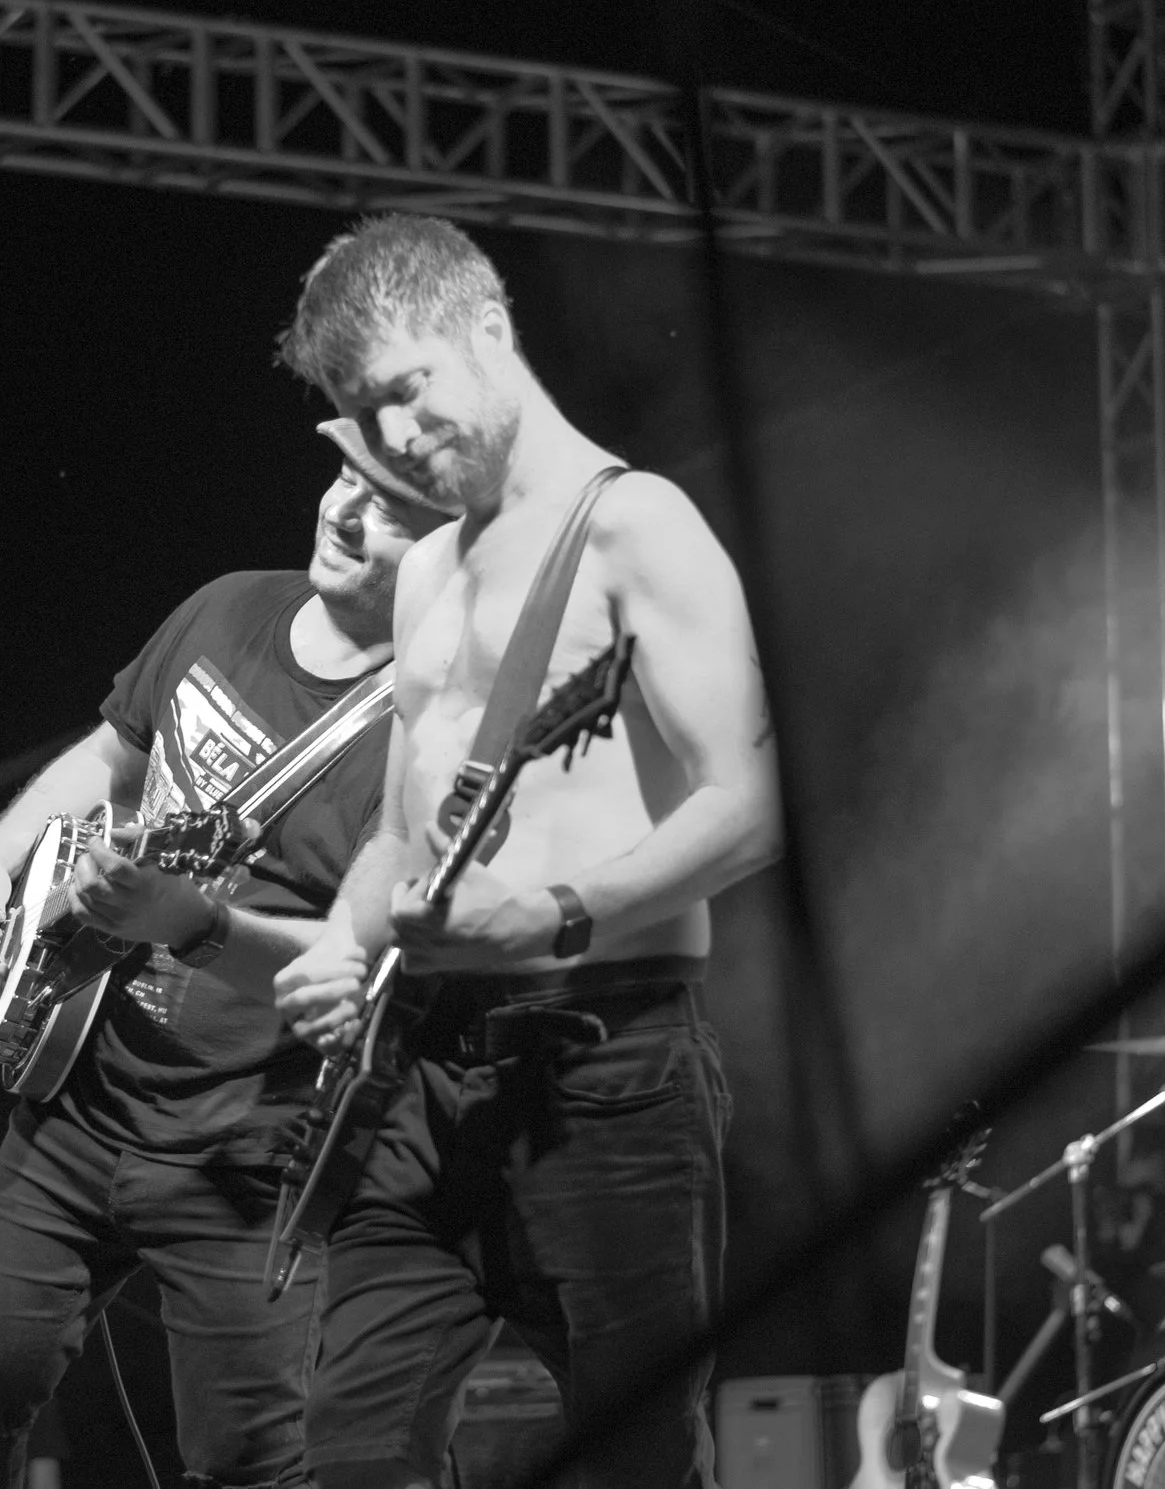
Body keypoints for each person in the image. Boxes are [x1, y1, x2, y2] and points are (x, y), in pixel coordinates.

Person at [270, 214, 783, 1489]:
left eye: (404, 390)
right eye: (360, 413)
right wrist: (345, 940)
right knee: (342, 1452)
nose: (390, 438)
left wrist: (552, 911)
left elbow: (753, 804)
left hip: (604, 1062)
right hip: (421, 1075)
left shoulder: (636, 524)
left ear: (484, 330)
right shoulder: (425, 569)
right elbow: (401, 831)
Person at [0, 421, 455, 1489]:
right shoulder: (226, 605)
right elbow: (116, 751)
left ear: (446, 544)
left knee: (251, 1470)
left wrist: (193, 925)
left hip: (247, 1156)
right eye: (343, 479)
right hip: (71, 1108)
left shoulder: (427, 732)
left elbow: (360, 972)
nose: (343, 512)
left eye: (386, 506)